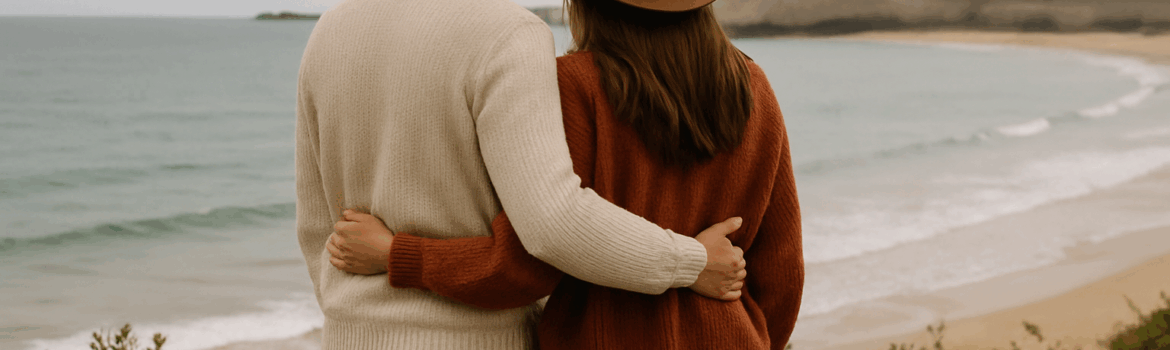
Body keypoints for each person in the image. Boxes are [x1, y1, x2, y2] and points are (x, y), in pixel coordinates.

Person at [327, 0, 805, 348]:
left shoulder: (574, 86)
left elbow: (525, 265)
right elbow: (783, 269)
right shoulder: (753, 85)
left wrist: (398, 255)